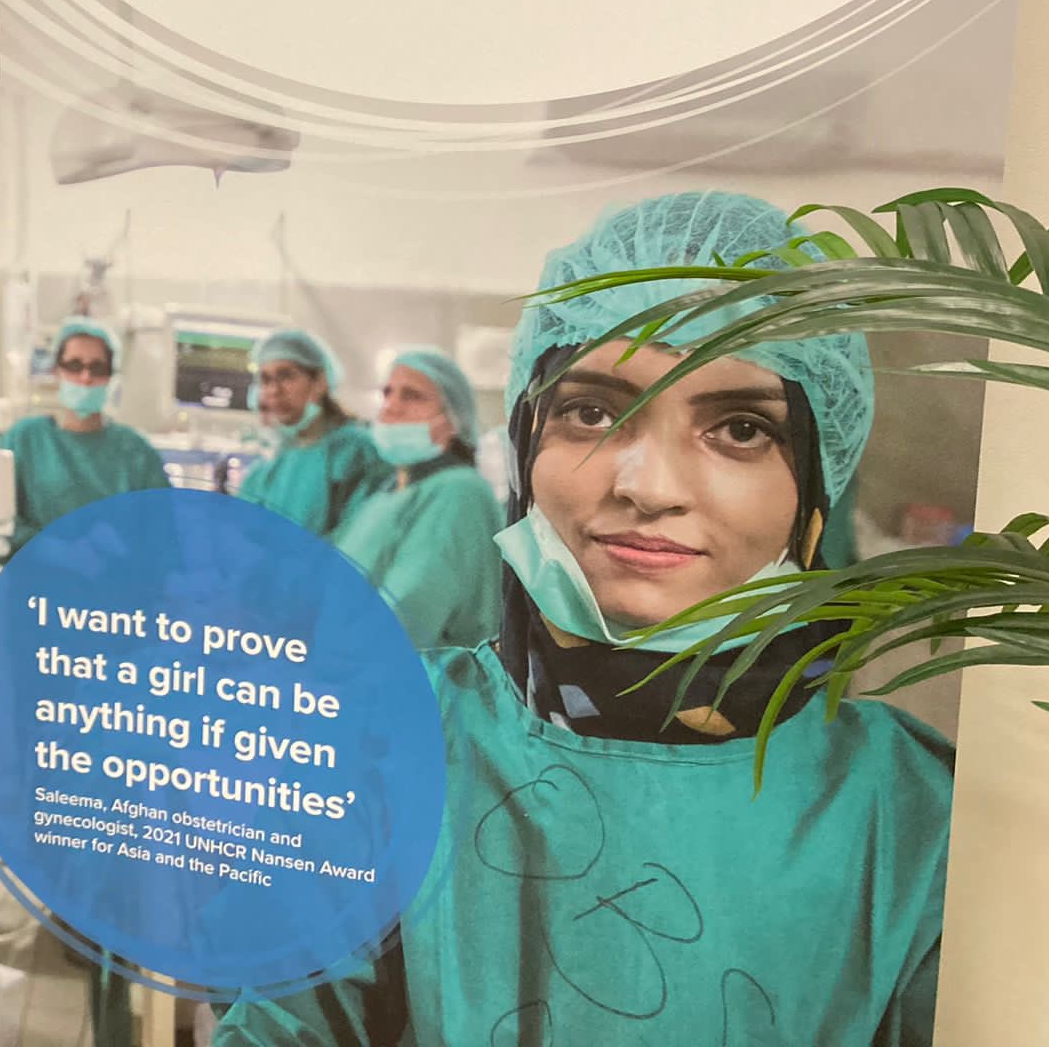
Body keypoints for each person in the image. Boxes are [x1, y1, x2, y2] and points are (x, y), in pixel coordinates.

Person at [217, 191, 953, 1047]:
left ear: (814, 496)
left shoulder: (911, 811)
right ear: (526, 444)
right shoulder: (392, 735)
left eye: (742, 429)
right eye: (592, 412)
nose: (647, 485)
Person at [329, 347, 507, 651]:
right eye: (388, 393)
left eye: (412, 396)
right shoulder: (385, 494)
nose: (391, 407)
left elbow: (406, 614)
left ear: (453, 420)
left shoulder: (459, 492)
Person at [0, 316, 169, 553]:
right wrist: (57, 551)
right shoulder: (24, 439)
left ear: (110, 376)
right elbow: (0, 525)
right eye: (74, 365)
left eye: (97, 368)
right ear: (56, 370)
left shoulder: (136, 452)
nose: (86, 377)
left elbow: (163, 533)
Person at [236, 328, 385, 539]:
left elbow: (361, 541)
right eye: (266, 380)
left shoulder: (356, 451)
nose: (274, 391)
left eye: (285, 376)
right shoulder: (272, 469)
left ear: (320, 382)